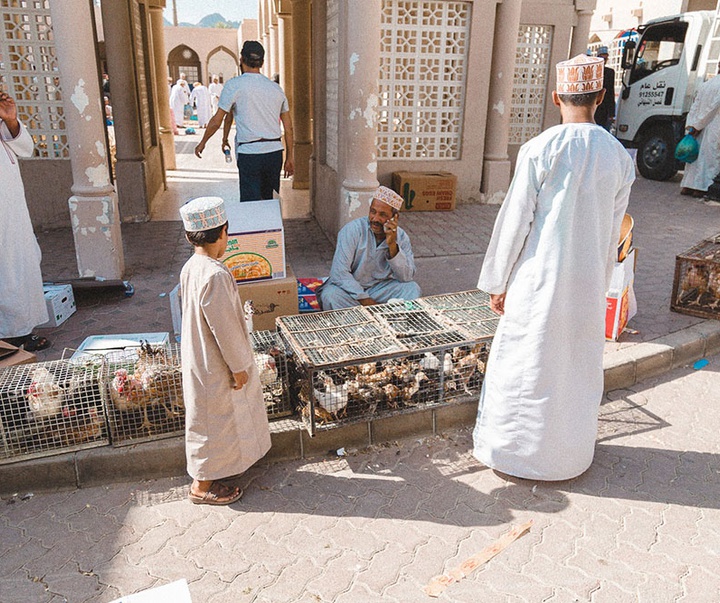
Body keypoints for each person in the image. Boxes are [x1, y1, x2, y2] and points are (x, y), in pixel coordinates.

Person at [472, 54, 635, 481]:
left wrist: (497, 280)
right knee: (573, 366)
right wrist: (604, 282)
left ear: (556, 97)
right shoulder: (618, 157)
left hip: (537, 280)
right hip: (586, 282)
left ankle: (512, 455)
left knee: (526, 365)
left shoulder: (539, 149)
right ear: (600, 97)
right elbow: (614, 229)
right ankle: (568, 457)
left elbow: (515, 221)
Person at [179, 196, 271, 505]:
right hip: (215, 361)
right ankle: (202, 487)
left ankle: (215, 473)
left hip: (199, 355)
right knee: (213, 421)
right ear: (223, 232)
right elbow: (225, 328)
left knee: (210, 418)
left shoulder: (192, 267)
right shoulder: (216, 274)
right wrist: (239, 366)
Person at [194, 41, 294, 201]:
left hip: (250, 154)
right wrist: (290, 157)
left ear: (241, 59)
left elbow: (217, 120)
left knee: (250, 204)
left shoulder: (234, 85)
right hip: (274, 154)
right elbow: (288, 128)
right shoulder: (276, 89)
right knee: (270, 201)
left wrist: (203, 142)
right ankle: (270, 226)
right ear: (261, 61)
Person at [0, 92, 51, 352]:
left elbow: (26, 149)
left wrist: (10, 121)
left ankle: (18, 330)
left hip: (11, 207)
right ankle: (11, 336)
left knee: (22, 259)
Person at [316, 186, 421, 310]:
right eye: (373, 212)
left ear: (395, 217)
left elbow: (406, 277)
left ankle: (373, 318)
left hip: (380, 290)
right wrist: (367, 301)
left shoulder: (402, 237)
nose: (375, 219)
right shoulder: (352, 230)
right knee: (330, 295)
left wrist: (392, 245)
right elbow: (339, 273)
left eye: (382, 214)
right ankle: (377, 317)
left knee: (412, 289)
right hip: (350, 291)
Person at [680, 68, 720, 198]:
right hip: (713, 125)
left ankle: (687, 186)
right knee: (709, 158)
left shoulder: (706, 84)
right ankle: (701, 188)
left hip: (698, 126)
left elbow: (695, 106)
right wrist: (700, 124)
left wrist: (693, 125)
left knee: (694, 157)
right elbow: (713, 108)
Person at [594, 46, 616, 131]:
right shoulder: (593, 71)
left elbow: (611, 92)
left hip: (605, 108)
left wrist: (611, 113)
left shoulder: (610, 72)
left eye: (605, 59)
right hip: (594, 106)